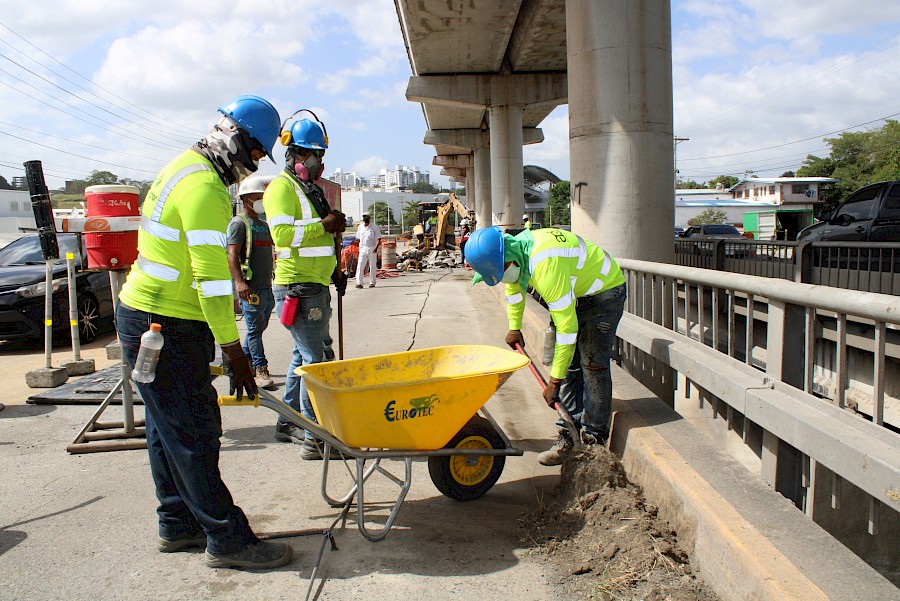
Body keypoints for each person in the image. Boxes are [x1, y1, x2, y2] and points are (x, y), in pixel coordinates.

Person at [115, 95, 293, 569]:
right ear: (236, 139)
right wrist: (235, 350)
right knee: (193, 431)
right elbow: (212, 283)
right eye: (255, 152)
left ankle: (176, 524)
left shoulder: (184, 167)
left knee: (164, 428)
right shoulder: (206, 190)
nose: (253, 164)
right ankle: (227, 539)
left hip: (146, 314)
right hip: (167, 322)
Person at [465, 226, 627, 466]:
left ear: (508, 260)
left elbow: (567, 331)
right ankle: (568, 436)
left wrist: (554, 383)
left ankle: (594, 441)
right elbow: (514, 290)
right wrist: (514, 327)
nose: (502, 279)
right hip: (576, 291)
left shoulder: (544, 265)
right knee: (571, 365)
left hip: (603, 292)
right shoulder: (517, 253)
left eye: (500, 273)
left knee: (592, 364)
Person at [263, 112, 347, 459]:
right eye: (313, 155)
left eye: (321, 156)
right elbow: (282, 235)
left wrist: (335, 269)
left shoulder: (308, 189)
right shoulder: (282, 188)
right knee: (317, 360)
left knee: (303, 354)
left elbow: (323, 236)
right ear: (295, 155)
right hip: (298, 285)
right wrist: (324, 225)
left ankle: (288, 421)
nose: (318, 163)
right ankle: (315, 438)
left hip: (313, 282)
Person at [226, 175, 277, 390]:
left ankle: (241, 365)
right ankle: (260, 369)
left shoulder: (263, 225)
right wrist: (239, 283)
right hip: (250, 288)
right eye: (258, 197)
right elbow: (232, 254)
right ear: (246, 199)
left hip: (266, 287)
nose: (262, 201)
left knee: (257, 328)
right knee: (254, 330)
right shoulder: (239, 224)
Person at [354, 212, 382, 288]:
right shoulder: (360, 227)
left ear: (369, 218)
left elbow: (379, 238)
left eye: (366, 216)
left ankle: (372, 282)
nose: (365, 218)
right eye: (364, 217)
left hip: (372, 248)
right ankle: (359, 282)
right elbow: (358, 239)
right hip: (363, 248)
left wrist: (376, 248)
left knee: (372, 266)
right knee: (360, 265)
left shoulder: (374, 227)